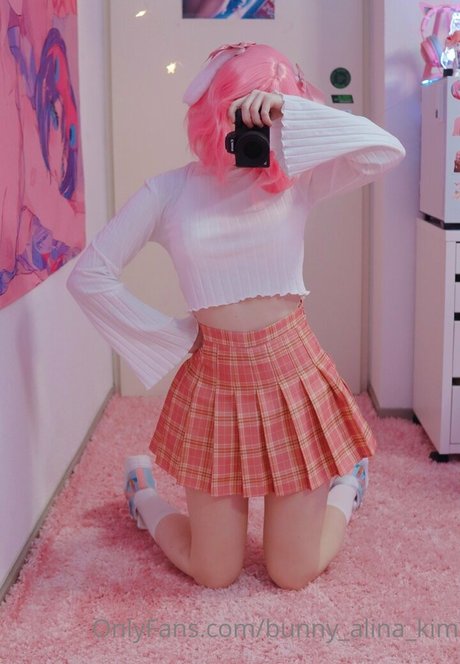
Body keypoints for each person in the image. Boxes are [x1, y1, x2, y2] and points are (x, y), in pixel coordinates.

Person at [67, 43, 405, 590]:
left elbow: (385, 151)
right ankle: (142, 495)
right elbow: (90, 275)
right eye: (241, 108)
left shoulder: (296, 179)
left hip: (293, 377)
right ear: (214, 110)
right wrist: (170, 337)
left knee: (291, 572)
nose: (253, 124)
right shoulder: (169, 191)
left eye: (267, 109)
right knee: (214, 571)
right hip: (216, 386)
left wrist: (291, 114)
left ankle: (346, 486)